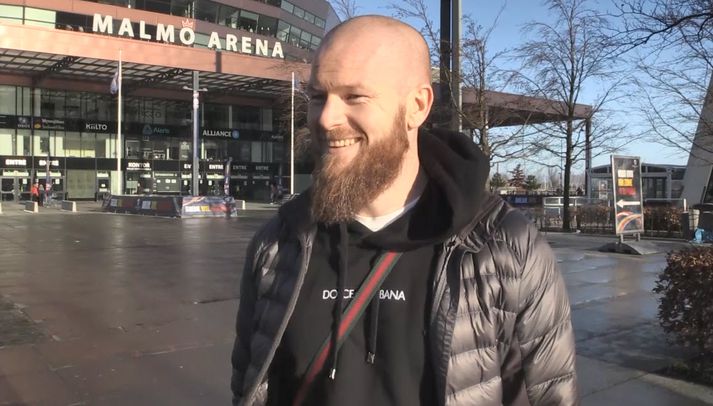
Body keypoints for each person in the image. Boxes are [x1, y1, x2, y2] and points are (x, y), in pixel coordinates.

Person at [231, 16, 577, 406]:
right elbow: (250, 385)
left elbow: (549, 396)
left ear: (417, 106)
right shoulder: (278, 244)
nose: (325, 118)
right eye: (317, 96)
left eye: (354, 96)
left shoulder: (506, 249)